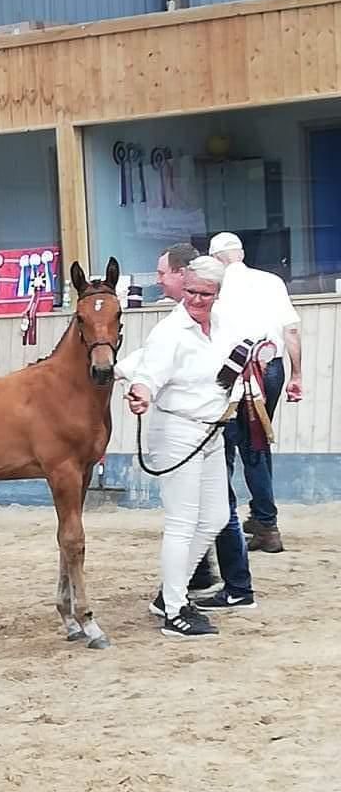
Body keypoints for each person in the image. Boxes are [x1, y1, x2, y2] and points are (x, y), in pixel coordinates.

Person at [123, 255, 236, 638]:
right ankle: (174, 610)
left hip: (211, 430)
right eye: (191, 291)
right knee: (183, 521)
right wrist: (140, 391)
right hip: (177, 429)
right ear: (183, 287)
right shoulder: (170, 331)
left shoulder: (221, 325)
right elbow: (149, 371)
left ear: (218, 293)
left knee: (216, 516)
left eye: (206, 293)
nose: (197, 300)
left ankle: (168, 596)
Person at [207, 232, 303, 553]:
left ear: (217, 259)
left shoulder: (215, 289)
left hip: (233, 373)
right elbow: (290, 331)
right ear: (241, 253)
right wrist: (297, 375)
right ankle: (262, 516)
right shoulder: (272, 281)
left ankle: (256, 524)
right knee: (258, 441)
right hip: (272, 368)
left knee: (235, 447)